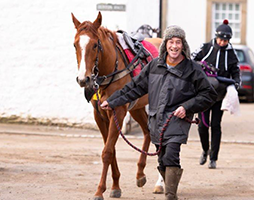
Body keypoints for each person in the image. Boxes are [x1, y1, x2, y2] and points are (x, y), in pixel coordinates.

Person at [101, 25, 217, 200]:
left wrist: (187, 107)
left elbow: (209, 95)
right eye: (171, 42)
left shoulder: (192, 69)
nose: (174, 46)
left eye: (178, 42)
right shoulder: (154, 66)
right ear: (166, 45)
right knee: (162, 159)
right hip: (157, 120)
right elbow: (134, 87)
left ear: (183, 45)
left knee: (171, 154)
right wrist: (112, 101)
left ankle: (171, 195)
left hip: (178, 119)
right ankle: (167, 181)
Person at [191, 20, 240, 169]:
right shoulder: (205, 47)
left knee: (216, 125)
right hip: (204, 93)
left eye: (225, 40)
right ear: (216, 37)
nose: (222, 42)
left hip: (220, 95)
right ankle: (205, 150)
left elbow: (236, 71)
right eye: (220, 39)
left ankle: (213, 157)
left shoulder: (231, 53)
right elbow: (192, 61)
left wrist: (236, 84)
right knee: (202, 126)